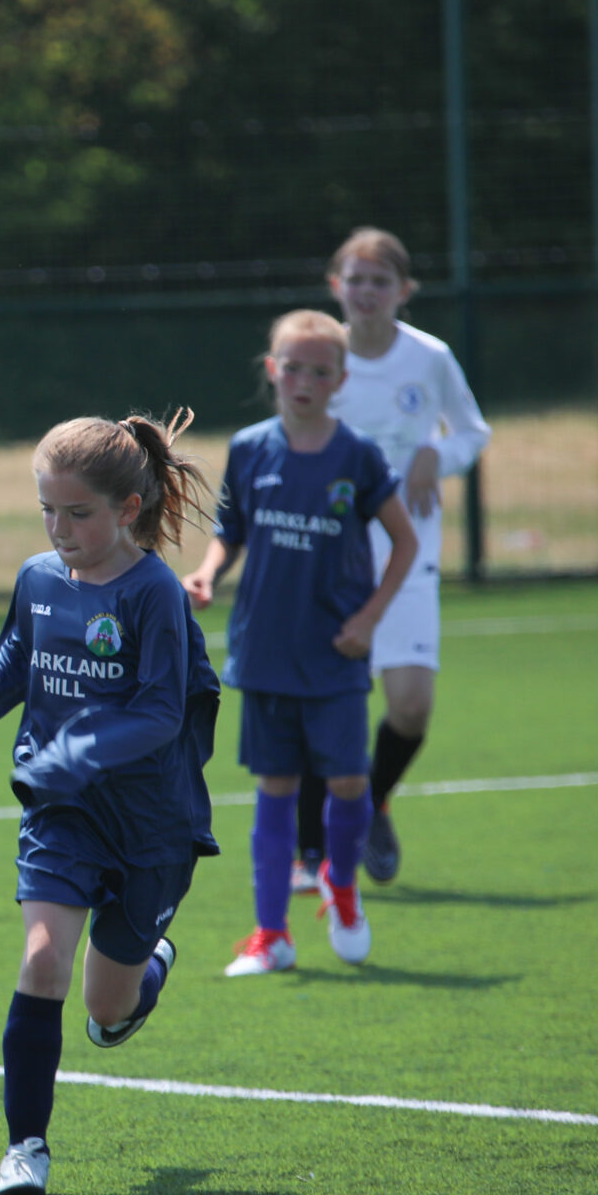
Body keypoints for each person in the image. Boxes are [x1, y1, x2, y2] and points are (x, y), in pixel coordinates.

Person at [0, 413, 219, 1195]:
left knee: (106, 1008)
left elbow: (162, 712)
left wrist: (80, 749)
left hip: (151, 822)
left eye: (78, 513)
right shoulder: (39, 578)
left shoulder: (154, 591)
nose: (59, 529)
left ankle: (149, 967)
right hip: (61, 809)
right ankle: (26, 1147)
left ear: (127, 509)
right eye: (47, 512)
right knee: (42, 960)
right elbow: (15, 658)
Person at [184, 311, 418, 977]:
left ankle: (341, 889)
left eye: (320, 370)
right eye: (293, 367)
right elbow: (231, 528)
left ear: (341, 379)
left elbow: (405, 541)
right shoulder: (252, 447)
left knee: (347, 781)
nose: (305, 380)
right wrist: (206, 571)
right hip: (264, 651)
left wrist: (370, 618)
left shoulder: (359, 456)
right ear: (272, 370)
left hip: (337, 652)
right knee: (274, 788)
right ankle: (271, 934)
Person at [292, 227, 493, 890]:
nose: (368, 291)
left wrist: (442, 452)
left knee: (410, 707)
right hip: (331, 557)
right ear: (335, 286)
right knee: (327, 702)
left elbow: (472, 429)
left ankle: (371, 800)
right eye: (357, 279)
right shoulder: (320, 357)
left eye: (382, 281)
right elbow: (291, 435)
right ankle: (311, 845)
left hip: (407, 555)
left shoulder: (429, 358)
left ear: (404, 291)